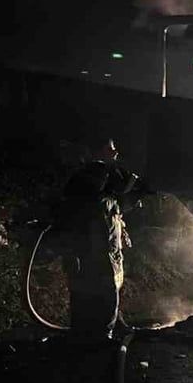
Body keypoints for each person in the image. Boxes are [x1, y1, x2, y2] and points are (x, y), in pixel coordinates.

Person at [54, 137, 150, 338]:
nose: (115, 153)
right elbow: (101, 199)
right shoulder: (93, 175)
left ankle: (105, 329)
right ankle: (98, 340)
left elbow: (117, 204)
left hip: (99, 250)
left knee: (103, 290)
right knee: (98, 293)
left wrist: (134, 194)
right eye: (111, 149)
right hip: (92, 251)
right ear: (97, 151)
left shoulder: (100, 180)